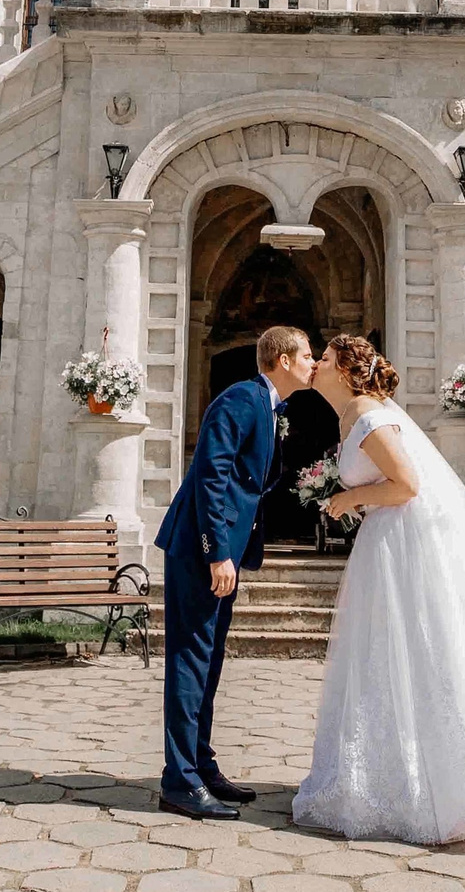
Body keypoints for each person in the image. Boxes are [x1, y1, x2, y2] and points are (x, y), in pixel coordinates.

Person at [291, 334, 465, 843]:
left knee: (418, 654)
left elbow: (407, 484)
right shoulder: (353, 412)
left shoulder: (368, 414)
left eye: (326, 359)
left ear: (347, 371)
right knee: (387, 659)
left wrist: (349, 497)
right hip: (389, 542)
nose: (316, 366)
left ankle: (452, 788)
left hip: (402, 545)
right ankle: (401, 777)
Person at [152, 323, 317, 820]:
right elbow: (210, 475)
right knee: (190, 658)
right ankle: (179, 781)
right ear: (283, 360)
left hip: (223, 551)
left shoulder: (268, 406)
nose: (314, 361)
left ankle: (200, 765)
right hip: (199, 550)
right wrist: (216, 552)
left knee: (210, 659)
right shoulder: (240, 400)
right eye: (308, 354)